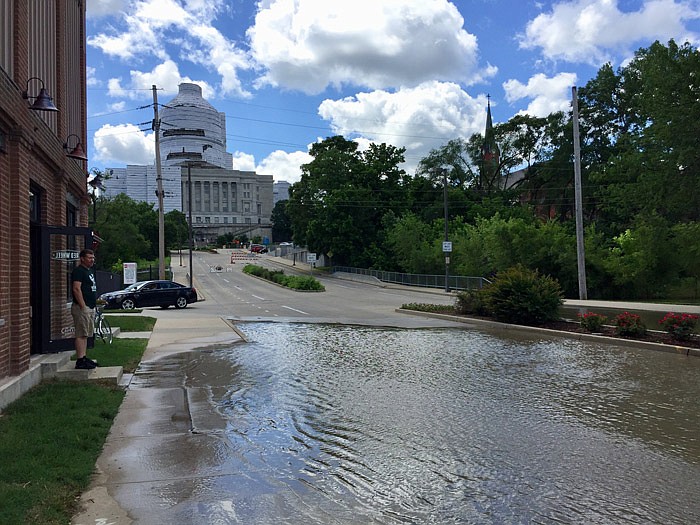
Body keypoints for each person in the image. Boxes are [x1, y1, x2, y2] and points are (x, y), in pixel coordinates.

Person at [71, 248, 98, 369]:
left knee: (86, 334)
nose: (92, 260)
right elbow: (76, 288)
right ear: (82, 258)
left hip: (90, 306)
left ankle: (84, 357)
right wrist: (83, 306)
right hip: (82, 308)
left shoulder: (89, 271)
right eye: (89, 258)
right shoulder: (78, 271)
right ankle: (80, 360)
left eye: (93, 258)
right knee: (81, 333)